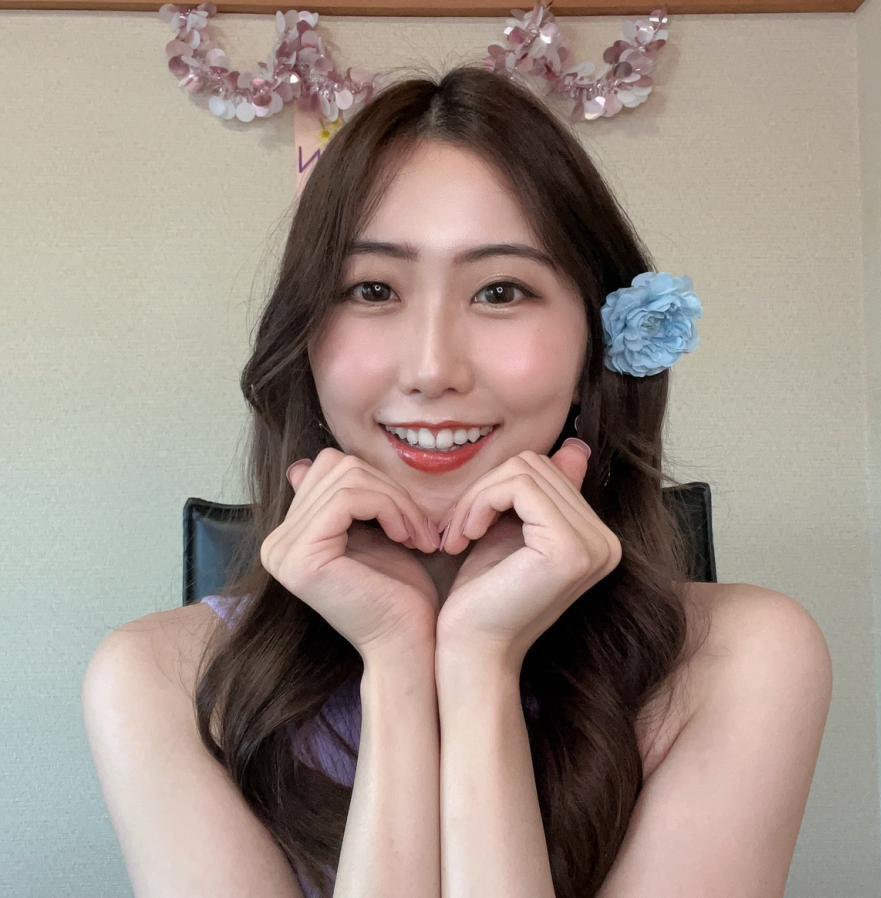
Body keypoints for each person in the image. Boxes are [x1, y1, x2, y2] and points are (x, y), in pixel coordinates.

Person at [83, 63, 832, 898]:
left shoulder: (740, 660)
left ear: (594, 345)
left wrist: (480, 665)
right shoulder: (161, 682)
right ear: (304, 341)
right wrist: (397, 664)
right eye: (372, 289)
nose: (433, 367)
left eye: (501, 291)